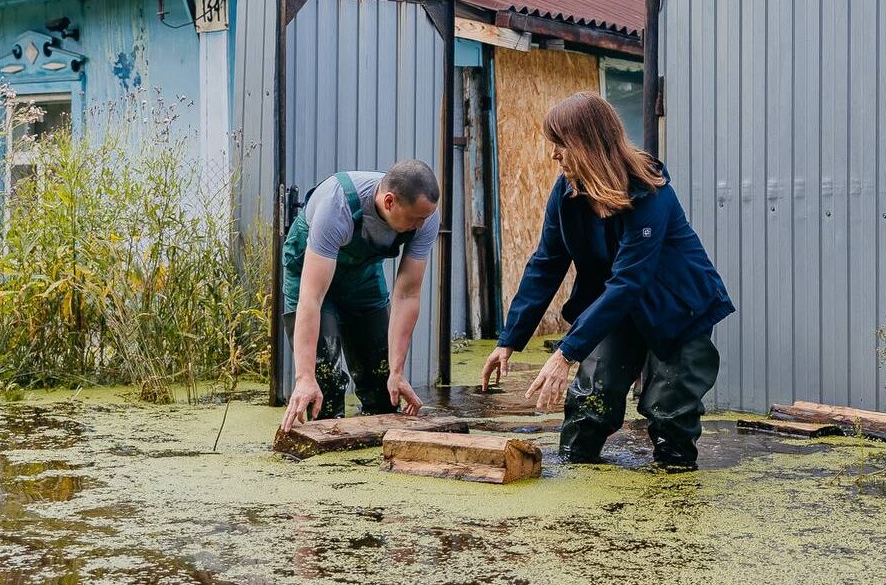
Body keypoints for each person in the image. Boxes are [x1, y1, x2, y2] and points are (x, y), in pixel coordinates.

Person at [481, 92, 734, 471]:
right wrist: (509, 340)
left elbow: (630, 281)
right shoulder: (566, 191)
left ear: (587, 143)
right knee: (590, 399)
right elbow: (546, 264)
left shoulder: (649, 190)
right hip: (616, 308)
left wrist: (566, 352)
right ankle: (577, 474)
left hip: (678, 309)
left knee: (669, 409)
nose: (554, 155)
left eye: (560, 145)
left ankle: (676, 489)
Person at [280, 160, 442, 432]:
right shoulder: (337, 206)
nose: (420, 226)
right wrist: (304, 377)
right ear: (389, 202)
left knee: (382, 383)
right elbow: (311, 298)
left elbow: (408, 294)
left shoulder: (425, 217)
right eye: (415, 219)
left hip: (362, 276)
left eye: (425, 219)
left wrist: (397, 371)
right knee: (324, 384)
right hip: (310, 273)